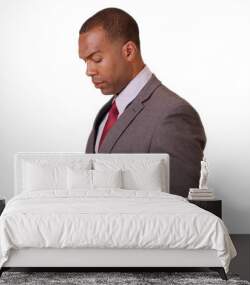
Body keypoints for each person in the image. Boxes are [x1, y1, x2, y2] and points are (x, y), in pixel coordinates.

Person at [78, 8, 206, 197]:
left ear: (129, 51)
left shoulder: (173, 115)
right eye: (85, 61)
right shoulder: (105, 114)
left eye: (97, 59)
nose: (89, 70)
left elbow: (182, 214)